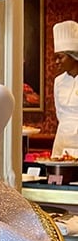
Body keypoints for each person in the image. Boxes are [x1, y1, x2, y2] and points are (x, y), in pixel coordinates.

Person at [51, 19, 78, 158]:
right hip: (61, 141)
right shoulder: (58, 82)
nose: (57, 62)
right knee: (58, 177)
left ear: (73, 57)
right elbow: (59, 114)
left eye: (60, 57)